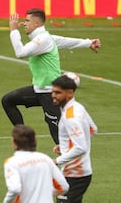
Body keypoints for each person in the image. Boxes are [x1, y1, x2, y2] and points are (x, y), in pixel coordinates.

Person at [1, 8, 101, 144]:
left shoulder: (42, 40)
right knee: (8, 100)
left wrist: (13, 31)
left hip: (51, 93)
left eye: (27, 21)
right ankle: (23, 137)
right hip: (39, 90)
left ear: (36, 23)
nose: (24, 24)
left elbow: (20, 52)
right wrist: (89, 43)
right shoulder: (46, 38)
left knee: (58, 138)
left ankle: (70, 160)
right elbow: (67, 41)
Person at [51, 75, 97, 203]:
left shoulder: (70, 117)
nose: (53, 95)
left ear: (70, 93)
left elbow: (80, 148)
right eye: (53, 92)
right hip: (80, 172)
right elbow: (93, 129)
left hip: (75, 174)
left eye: (58, 92)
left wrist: (57, 160)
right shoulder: (78, 107)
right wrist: (66, 146)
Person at [3, 124, 69, 203]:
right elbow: (64, 187)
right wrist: (44, 192)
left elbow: (15, 188)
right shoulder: (45, 159)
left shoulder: (11, 162)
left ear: (14, 142)